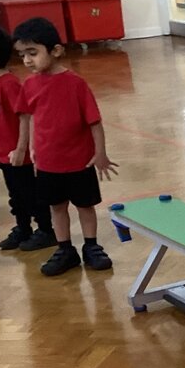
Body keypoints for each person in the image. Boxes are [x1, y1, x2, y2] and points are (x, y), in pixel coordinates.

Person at [10, 17, 119, 277]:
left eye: (33, 53)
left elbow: (94, 122)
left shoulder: (76, 84)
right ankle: (65, 249)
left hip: (80, 161)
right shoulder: (29, 85)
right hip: (48, 164)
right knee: (57, 207)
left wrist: (100, 153)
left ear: (56, 50)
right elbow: (27, 117)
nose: (27, 60)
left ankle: (91, 247)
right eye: (22, 55)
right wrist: (26, 148)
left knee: (85, 206)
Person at [0, 26, 55, 251]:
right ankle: (23, 227)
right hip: (2, 153)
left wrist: (21, 149)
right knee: (16, 195)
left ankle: (46, 230)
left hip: (18, 155)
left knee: (31, 195)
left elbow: (25, 117)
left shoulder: (9, 84)